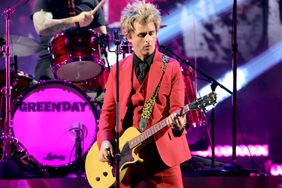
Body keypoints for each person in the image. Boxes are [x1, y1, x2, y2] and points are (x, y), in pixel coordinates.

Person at [97, 1, 191, 187]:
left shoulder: (171, 67)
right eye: (142, 35)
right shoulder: (117, 70)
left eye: (151, 33)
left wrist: (179, 123)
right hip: (123, 152)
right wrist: (105, 142)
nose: (148, 39)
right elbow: (107, 113)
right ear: (129, 37)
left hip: (160, 152)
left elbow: (177, 108)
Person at [32, 0, 107, 81]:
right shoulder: (46, 1)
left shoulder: (92, 1)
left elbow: (102, 37)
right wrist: (75, 21)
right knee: (46, 87)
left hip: (88, 60)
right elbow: (41, 28)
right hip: (51, 59)